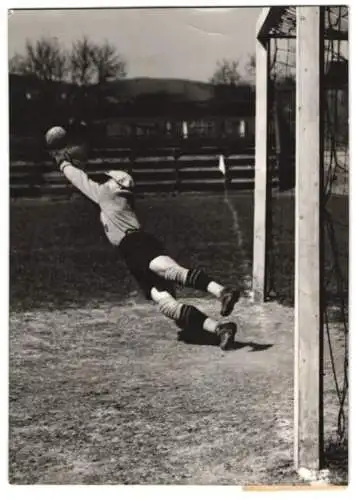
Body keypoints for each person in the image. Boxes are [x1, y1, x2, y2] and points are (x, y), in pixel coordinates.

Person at [47, 128, 241, 350]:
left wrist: (63, 162)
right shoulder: (114, 195)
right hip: (132, 250)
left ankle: (221, 291)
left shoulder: (107, 194)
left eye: (108, 179)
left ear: (116, 184)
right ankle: (221, 329)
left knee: (168, 272)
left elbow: (79, 179)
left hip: (136, 243)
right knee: (166, 303)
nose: (103, 180)